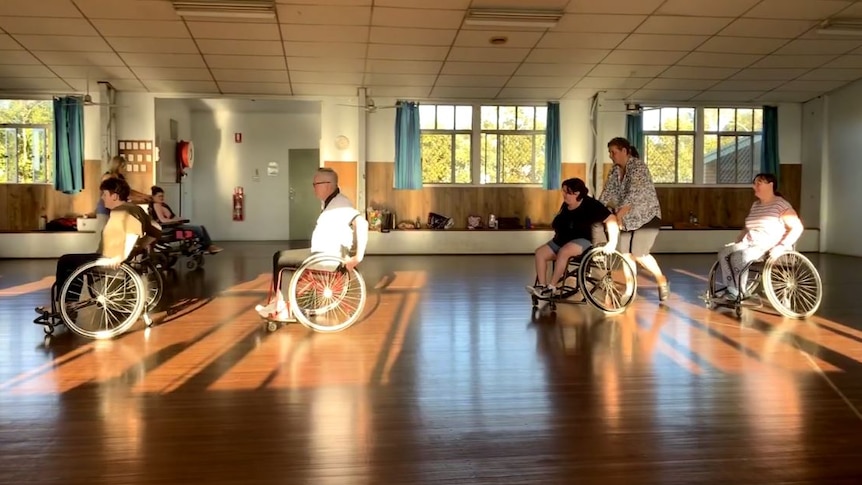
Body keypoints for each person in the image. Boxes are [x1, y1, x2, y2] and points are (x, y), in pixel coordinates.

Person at [256, 167, 369, 321]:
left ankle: (282, 306)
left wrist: (358, 257)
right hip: (321, 254)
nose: (313, 187)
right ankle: (281, 304)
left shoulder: (341, 204)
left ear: (328, 185)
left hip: (326, 257)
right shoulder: (331, 202)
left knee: (281, 259)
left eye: (316, 183)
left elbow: (362, 223)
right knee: (282, 259)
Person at [45, 178, 156, 304]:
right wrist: (139, 248)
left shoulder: (123, 210)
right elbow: (157, 230)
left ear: (114, 196)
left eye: (104, 194)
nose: (102, 198)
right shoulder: (134, 208)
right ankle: (66, 304)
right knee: (71, 262)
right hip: (111, 258)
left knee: (66, 262)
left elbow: (132, 233)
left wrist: (121, 257)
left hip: (108, 260)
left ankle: (66, 305)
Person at [599, 137, 669, 301]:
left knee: (639, 254)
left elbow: (633, 197)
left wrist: (617, 217)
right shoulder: (614, 171)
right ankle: (630, 290)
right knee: (625, 254)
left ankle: (661, 279)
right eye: (609, 152)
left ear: (624, 151)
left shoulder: (638, 168)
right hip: (627, 218)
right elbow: (607, 193)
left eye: (613, 152)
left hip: (647, 216)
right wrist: (597, 210)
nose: (611, 155)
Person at [713, 173, 803, 301]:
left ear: (770, 185)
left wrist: (781, 247)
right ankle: (732, 289)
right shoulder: (756, 205)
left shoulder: (781, 205)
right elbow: (748, 228)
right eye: (754, 183)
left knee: (740, 257)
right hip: (748, 243)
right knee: (723, 252)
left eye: (758, 183)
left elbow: (797, 227)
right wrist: (736, 241)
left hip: (766, 246)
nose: (754, 186)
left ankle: (738, 291)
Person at [527, 177, 620, 299]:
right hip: (562, 239)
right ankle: (542, 286)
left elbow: (611, 219)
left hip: (583, 240)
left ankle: (552, 287)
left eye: (567, 192)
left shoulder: (591, 205)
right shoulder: (566, 205)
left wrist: (613, 242)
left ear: (577, 193)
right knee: (540, 253)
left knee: (564, 252)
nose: (563, 194)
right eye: (563, 191)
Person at [150, 186, 222, 254]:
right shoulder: (157, 205)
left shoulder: (162, 205)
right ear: (153, 197)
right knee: (199, 229)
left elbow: (169, 217)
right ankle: (207, 246)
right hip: (170, 228)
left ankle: (207, 246)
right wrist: (176, 220)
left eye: (162, 196)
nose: (162, 198)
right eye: (159, 196)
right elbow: (162, 220)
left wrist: (179, 219)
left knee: (200, 228)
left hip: (174, 226)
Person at [94, 156, 151, 239]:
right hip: (105, 207)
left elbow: (128, 191)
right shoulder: (108, 177)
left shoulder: (120, 178)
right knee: (104, 233)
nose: (124, 169)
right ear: (117, 166)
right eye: (123, 167)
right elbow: (115, 193)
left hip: (115, 208)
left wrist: (144, 196)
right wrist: (141, 197)